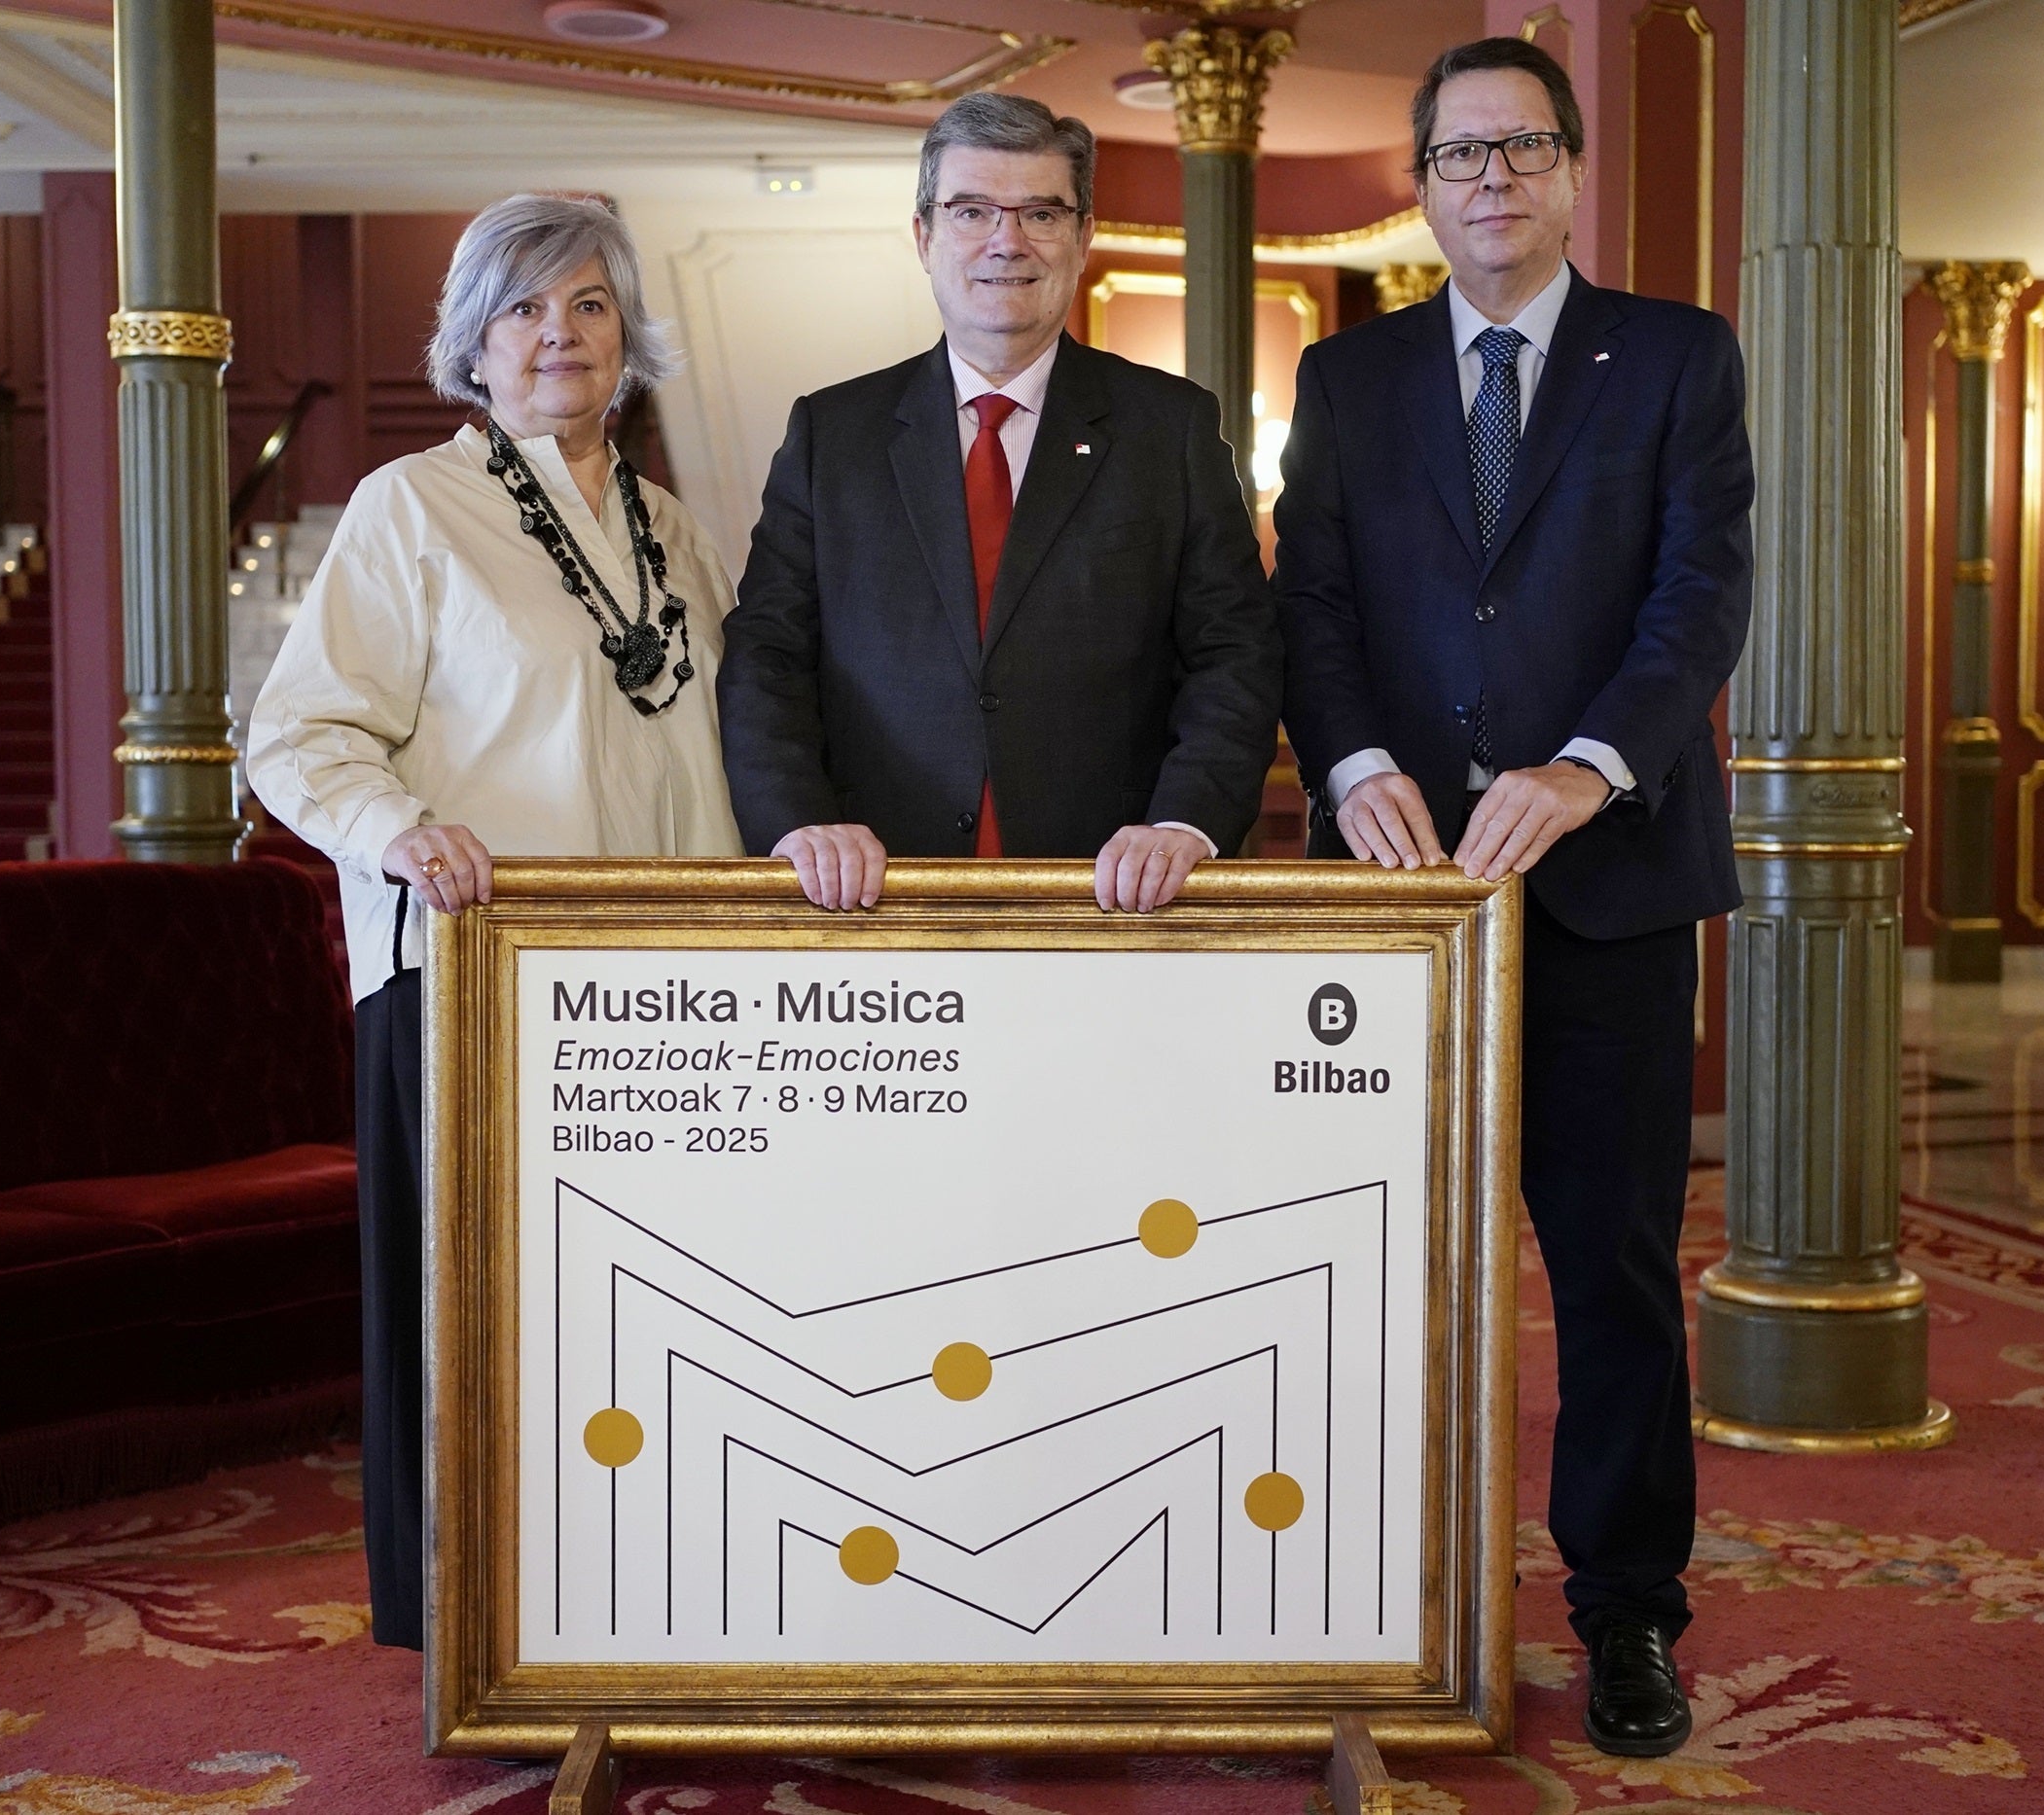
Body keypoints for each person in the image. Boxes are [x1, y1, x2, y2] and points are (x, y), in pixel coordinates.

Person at [1273, 38, 1753, 1759]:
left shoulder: (1676, 358)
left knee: (1609, 1268)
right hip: (1394, 910)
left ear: (1568, 176)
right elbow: (1308, 605)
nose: (1490, 179)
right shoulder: (1350, 380)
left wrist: (1587, 766)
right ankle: (1354, 1596)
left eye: (1522, 148)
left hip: (1605, 890)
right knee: (1361, 1266)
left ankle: (1623, 1612)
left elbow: (1699, 596)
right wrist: (1341, 768)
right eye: (1458, 153)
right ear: (1419, 180)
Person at [246, 192, 744, 1651]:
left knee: (652, 1314)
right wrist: (399, 831)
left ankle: (659, 1602)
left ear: (626, 336)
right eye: (524, 308)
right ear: (471, 340)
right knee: (497, 1330)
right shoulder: (415, 506)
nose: (558, 335)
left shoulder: (669, 526)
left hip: (665, 991)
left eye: (588, 304)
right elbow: (300, 736)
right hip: (474, 976)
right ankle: (487, 1629)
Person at [718, 92, 1280, 914]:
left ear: (1083, 237)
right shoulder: (831, 434)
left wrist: (1184, 823)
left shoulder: (1171, 427)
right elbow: (767, 653)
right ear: (924, 235)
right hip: (873, 895)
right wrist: (797, 823)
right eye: (972, 210)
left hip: (1115, 898)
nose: (1006, 241)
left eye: (1041, 213)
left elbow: (1234, 651)